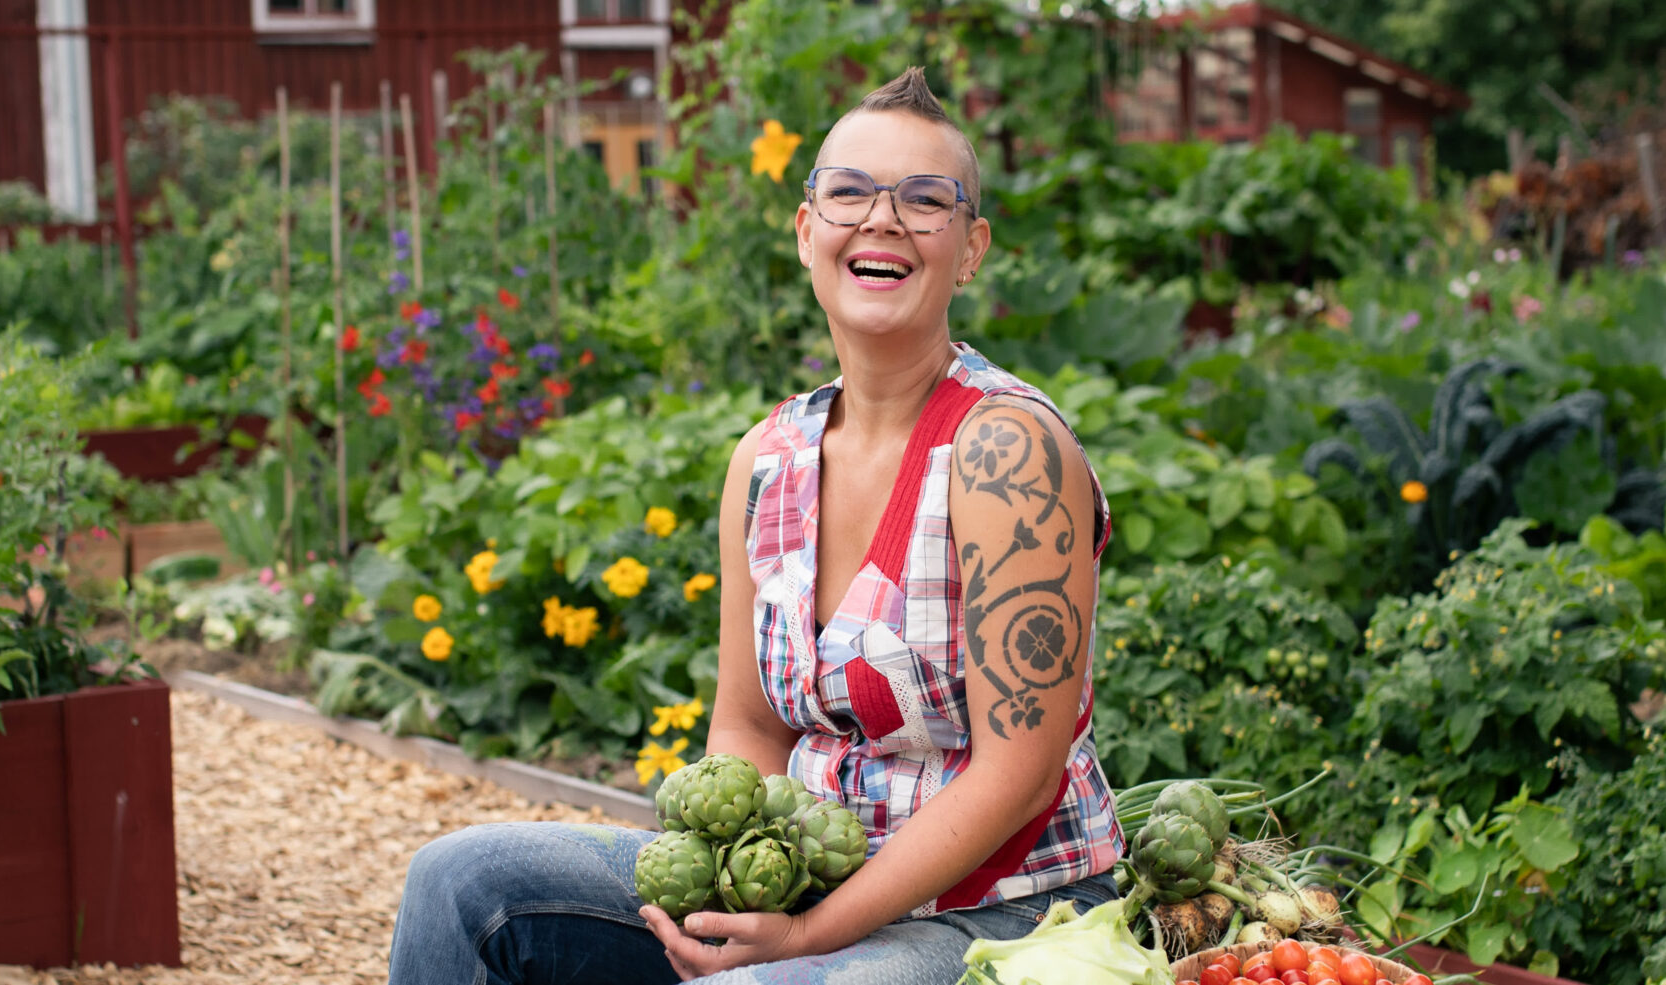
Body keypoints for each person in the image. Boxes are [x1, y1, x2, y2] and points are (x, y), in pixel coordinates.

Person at [387, 66, 1121, 985]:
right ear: (808, 230)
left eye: (923, 200)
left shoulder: (1006, 451)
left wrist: (808, 936)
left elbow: (1018, 774)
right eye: (849, 192)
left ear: (969, 248)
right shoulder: (767, 460)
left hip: (997, 910)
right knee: (460, 881)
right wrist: (730, 891)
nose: (881, 219)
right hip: (809, 889)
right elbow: (747, 723)